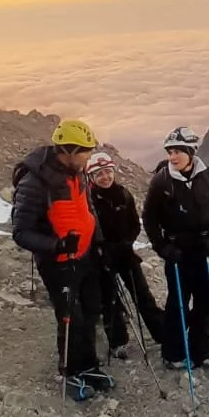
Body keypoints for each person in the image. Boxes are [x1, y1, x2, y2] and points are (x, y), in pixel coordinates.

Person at [11, 118, 114, 400]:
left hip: (85, 255)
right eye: (85, 152)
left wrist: (100, 240)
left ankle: (88, 366)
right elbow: (20, 232)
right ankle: (69, 372)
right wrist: (57, 246)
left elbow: (87, 208)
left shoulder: (76, 172)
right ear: (67, 150)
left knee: (92, 310)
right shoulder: (35, 182)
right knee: (70, 316)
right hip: (58, 263)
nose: (88, 158)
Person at [142, 127, 209, 370]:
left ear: (191, 152)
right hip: (178, 251)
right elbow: (149, 218)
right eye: (170, 151)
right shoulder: (162, 180)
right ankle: (173, 353)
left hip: (206, 249)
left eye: (178, 151)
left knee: (206, 302)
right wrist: (163, 248)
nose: (173, 157)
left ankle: (201, 352)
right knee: (178, 302)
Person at [86, 150, 164, 358]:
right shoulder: (88, 201)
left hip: (125, 255)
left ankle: (162, 333)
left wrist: (126, 243)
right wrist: (101, 250)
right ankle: (117, 342)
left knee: (143, 295)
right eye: (99, 174)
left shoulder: (124, 194)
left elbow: (134, 224)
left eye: (108, 172)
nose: (105, 177)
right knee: (110, 301)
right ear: (92, 178)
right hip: (103, 259)